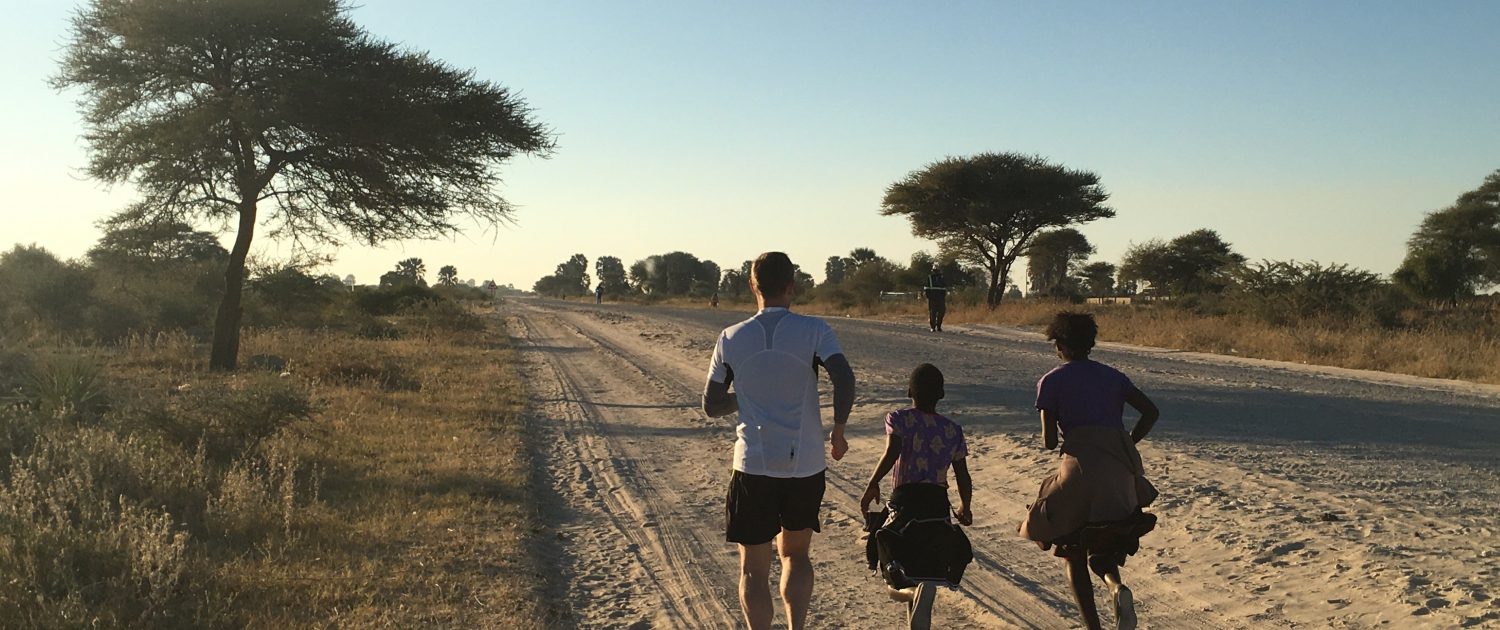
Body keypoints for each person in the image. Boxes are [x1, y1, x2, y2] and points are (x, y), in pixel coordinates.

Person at [702, 251, 856, 630]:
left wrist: (749, 396)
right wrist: (838, 429)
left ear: (753, 285)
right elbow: (844, 378)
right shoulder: (816, 331)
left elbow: (712, 404)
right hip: (804, 465)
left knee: (754, 569)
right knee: (796, 556)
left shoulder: (730, 337)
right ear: (792, 286)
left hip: (753, 465)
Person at [1019, 312, 1160, 630]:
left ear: (1060, 345)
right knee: (1105, 541)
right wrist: (1127, 441)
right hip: (1120, 473)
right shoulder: (1114, 377)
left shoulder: (1051, 381)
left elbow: (1049, 441)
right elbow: (1151, 412)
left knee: (1071, 549)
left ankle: (1092, 626)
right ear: (1091, 343)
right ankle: (1115, 587)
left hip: (1078, 470)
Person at [859, 363, 973, 590]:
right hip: (937, 501)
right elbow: (962, 474)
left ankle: (890, 571)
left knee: (878, 537)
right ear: (941, 394)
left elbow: (892, 452)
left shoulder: (899, 419)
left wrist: (873, 483)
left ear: (909, 392)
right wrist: (965, 506)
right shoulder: (952, 430)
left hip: (905, 497)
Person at [924, 265, 948, 332]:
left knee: (941, 312)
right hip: (932, 298)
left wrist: (943, 297)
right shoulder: (930, 278)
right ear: (933, 271)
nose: (936, 272)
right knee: (933, 313)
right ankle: (933, 327)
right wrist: (928, 297)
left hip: (941, 298)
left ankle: (939, 326)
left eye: (937, 271)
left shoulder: (942, 278)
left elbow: (944, 288)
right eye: (935, 271)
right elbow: (926, 288)